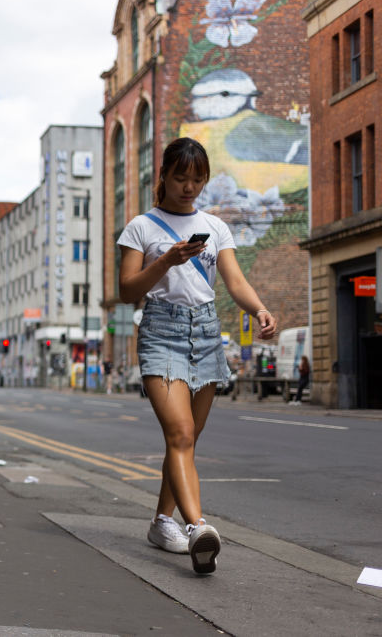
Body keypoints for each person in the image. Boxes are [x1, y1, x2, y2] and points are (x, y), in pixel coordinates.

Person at [117, 137, 277, 575]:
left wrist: (259, 308)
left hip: (206, 332)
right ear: (164, 177)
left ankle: (161, 522)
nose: (189, 188)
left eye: (197, 179)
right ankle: (197, 528)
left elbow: (234, 280)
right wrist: (167, 261)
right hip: (161, 332)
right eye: (181, 178)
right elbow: (127, 290)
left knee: (187, 439)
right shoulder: (141, 228)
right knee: (181, 433)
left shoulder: (215, 226)